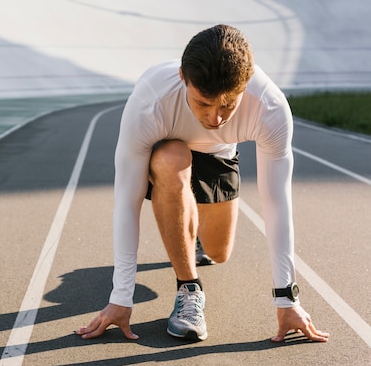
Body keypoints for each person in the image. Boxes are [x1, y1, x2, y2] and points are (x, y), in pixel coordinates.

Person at [76, 24, 330, 342]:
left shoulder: (270, 108)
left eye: (227, 105)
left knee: (219, 252)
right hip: (171, 147)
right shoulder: (150, 101)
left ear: (246, 84)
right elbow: (127, 200)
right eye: (202, 103)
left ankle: (190, 230)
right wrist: (121, 297)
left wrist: (287, 300)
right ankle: (189, 288)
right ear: (184, 78)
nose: (215, 119)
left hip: (220, 155)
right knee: (171, 159)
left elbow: (277, 203)